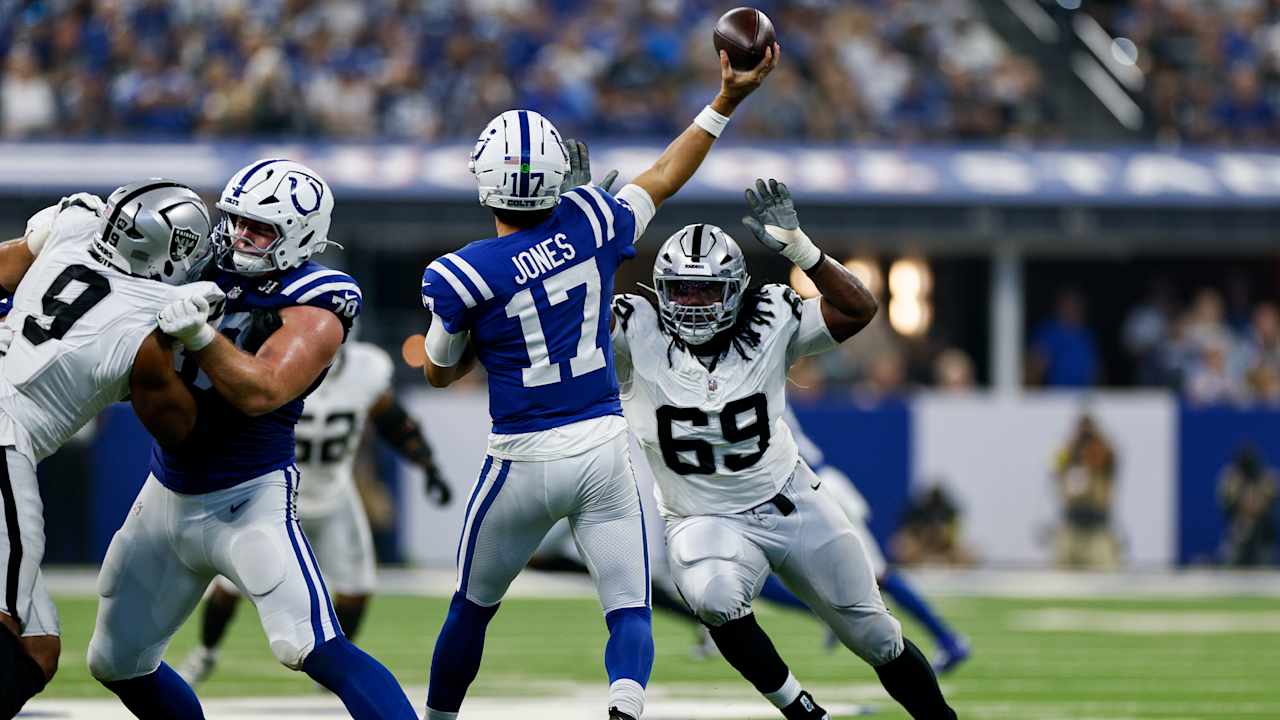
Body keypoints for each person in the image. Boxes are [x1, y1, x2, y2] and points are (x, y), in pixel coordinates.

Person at [419, 45, 778, 720]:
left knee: (470, 609)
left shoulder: (462, 271)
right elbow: (666, 174)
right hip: (601, 449)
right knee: (629, 609)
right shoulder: (592, 219)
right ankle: (625, 705)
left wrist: (478, 335)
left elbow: (440, 371)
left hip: (520, 455)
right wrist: (727, 98)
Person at [612, 179, 956, 720]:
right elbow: (564, 321)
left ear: (735, 291)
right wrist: (579, 241)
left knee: (877, 636)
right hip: (703, 517)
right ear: (659, 290)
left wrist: (804, 251)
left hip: (792, 501)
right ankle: (802, 710)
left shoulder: (770, 316)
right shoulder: (634, 330)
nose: (693, 304)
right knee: (715, 598)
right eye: (681, 290)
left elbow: (858, 309)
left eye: (707, 292)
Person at [86, 160, 417, 720]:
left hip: (248, 498)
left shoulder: (318, 301)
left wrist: (200, 334)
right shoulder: (195, 262)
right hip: (165, 493)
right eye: (237, 221)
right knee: (114, 662)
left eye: (260, 230)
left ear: (299, 236)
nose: (240, 236)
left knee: (311, 645)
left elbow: (262, 391)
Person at [0, 184, 215, 718]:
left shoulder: (73, 227)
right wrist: (195, 339)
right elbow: (179, 431)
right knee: (3, 621)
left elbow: (6, 267)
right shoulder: (156, 316)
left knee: (36, 649)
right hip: (4, 438)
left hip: (10, 436)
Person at [177, 338, 453, 685]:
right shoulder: (278, 361)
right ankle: (205, 653)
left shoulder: (365, 370)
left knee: (357, 590)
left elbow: (393, 421)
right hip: (275, 491)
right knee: (229, 586)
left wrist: (429, 466)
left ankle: (337, 672)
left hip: (335, 495)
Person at [784, 408, 970, 674]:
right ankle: (831, 614)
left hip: (813, 487)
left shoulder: (755, 393)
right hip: (796, 491)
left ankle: (948, 639)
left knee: (876, 574)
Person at [1053, 413, 1120, 570]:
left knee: (1106, 572)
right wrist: (1072, 451)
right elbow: (1055, 469)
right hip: (1071, 526)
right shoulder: (1068, 455)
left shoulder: (1104, 453)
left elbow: (1111, 461)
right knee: (1060, 574)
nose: (1085, 440)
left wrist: (1094, 451)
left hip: (1097, 529)